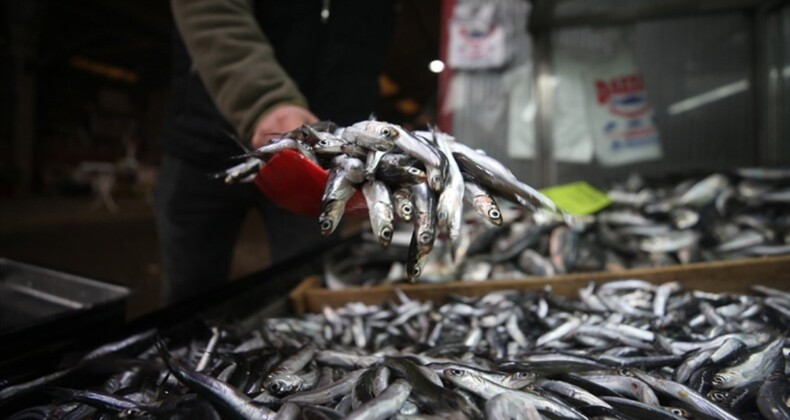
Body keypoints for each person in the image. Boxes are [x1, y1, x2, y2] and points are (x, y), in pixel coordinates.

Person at [157, 0, 395, 305]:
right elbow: (212, 10)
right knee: (189, 299)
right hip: (206, 140)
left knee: (307, 292)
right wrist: (264, 99)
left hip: (323, 170)